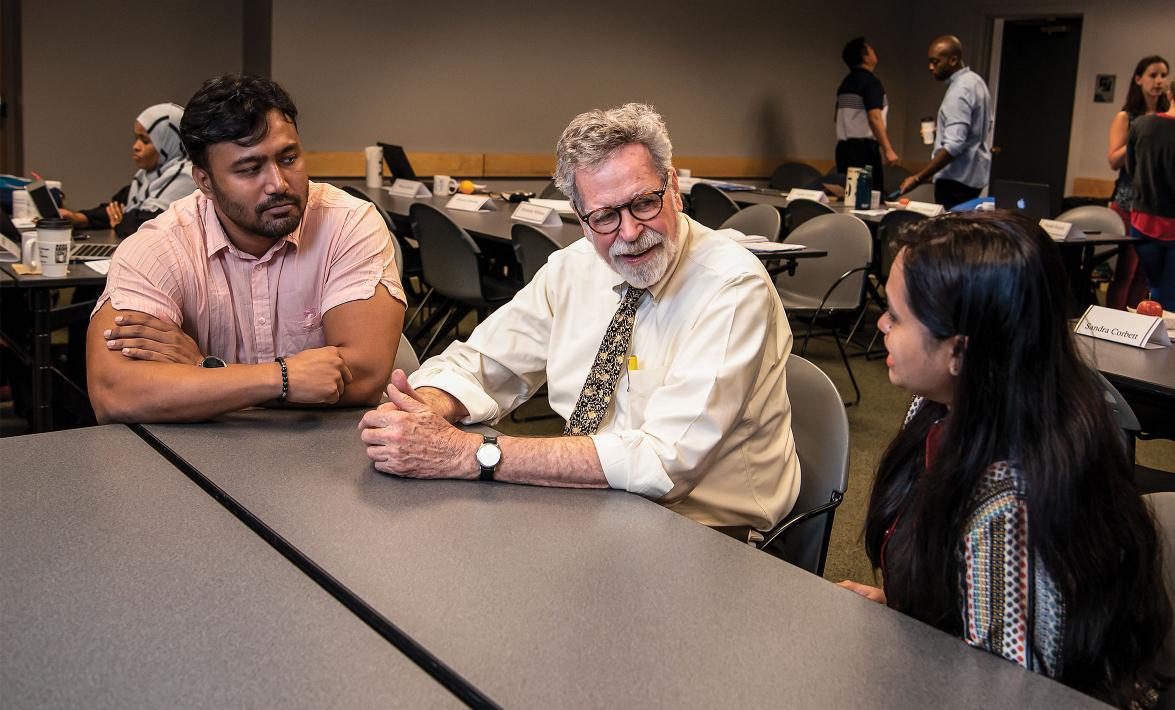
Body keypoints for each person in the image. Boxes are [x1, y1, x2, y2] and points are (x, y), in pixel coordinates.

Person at [358, 103, 800, 539]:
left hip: (707, 531)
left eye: (645, 202)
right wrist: (426, 410)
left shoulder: (732, 287)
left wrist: (468, 453)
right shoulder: (573, 268)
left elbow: (663, 464)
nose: (629, 233)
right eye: (606, 216)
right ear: (580, 216)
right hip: (591, 504)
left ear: (674, 188)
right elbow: (478, 363)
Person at [838, 211, 1171, 706]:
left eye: (898, 315)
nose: (881, 325)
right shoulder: (937, 411)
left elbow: (1007, 692)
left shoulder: (1012, 503)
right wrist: (907, 612)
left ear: (960, 351)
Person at [86, 75, 406, 423]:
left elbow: (365, 376)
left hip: (325, 456)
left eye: (288, 158)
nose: (278, 184)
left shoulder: (348, 222)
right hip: (204, 458)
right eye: (250, 169)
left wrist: (204, 369)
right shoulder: (159, 246)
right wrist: (282, 379)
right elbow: (114, 393)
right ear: (205, 182)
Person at [58, 103, 197, 238]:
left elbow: (147, 226)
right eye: (136, 138)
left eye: (145, 140)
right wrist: (79, 218)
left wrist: (121, 223)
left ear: (168, 142)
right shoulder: (146, 177)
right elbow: (116, 207)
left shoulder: (186, 177)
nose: (136, 146)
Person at [898, 36, 993, 208]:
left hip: (955, 181)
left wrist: (918, 177)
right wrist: (940, 134)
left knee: (950, 233)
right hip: (974, 178)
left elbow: (954, 146)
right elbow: (983, 127)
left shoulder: (959, 91)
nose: (930, 67)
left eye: (935, 62)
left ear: (953, 60)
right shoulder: (976, 82)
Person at [1107, 56, 1169, 310]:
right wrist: (1139, 132)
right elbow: (1113, 160)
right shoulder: (1127, 117)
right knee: (1126, 272)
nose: (1159, 81)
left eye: (1164, 75)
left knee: (1146, 275)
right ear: (1138, 79)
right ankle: (1112, 322)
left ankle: (1134, 324)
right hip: (1127, 202)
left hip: (1156, 206)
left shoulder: (1167, 118)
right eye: (1153, 75)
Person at [1127, 79, 1175, 310]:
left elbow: (1131, 167)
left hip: (1142, 221)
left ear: (1170, 94)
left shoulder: (1142, 124)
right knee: (1168, 295)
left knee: (1155, 288)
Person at [834, 37, 899, 191]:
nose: (874, 52)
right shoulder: (870, 82)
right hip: (864, 150)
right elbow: (875, 117)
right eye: (871, 50)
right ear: (865, 57)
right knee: (868, 198)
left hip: (843, 149)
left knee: (849, 196)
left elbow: (836, 117)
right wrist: (888, 150)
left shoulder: (845, 83)